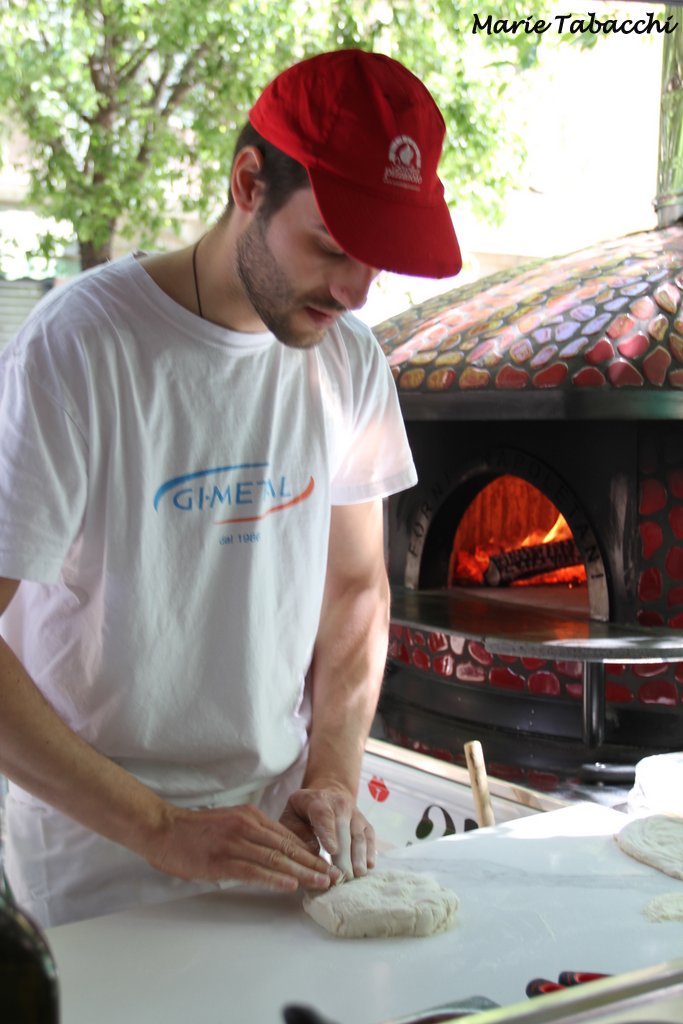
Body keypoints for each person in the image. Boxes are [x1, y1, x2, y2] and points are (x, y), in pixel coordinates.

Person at [0, 48, 461, 927]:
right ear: (248, 183)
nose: (355, 292)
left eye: (377, 261)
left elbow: (356, 590)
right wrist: (163, 829)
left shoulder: (348, 362)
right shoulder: (77, 348)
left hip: (277, 842)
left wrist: (331, 776)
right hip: (97, 857)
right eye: (332, 247)